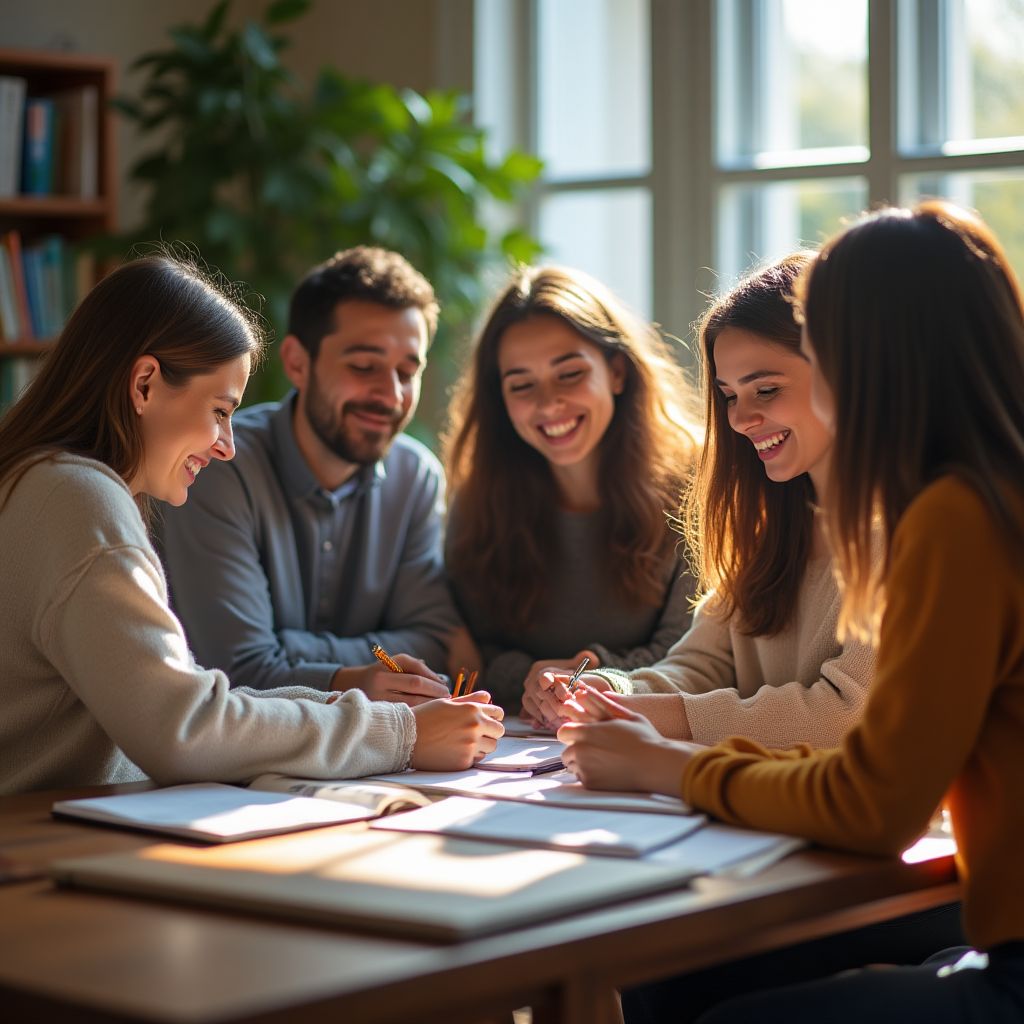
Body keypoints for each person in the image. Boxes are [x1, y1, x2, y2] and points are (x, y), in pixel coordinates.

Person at [559, 202, 1024, 1023]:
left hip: (1008, 963)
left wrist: (668, 765)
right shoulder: (986, 494)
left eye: (829, 347)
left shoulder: (955, 519)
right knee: (674, 982)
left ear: (883, 358)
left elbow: (876, 806)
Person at [0, 252, 503, 796]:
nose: (227, 446)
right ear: (144, 385)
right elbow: (185, 728)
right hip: (36, 835)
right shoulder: (79, 499)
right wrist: (401, 734)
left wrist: (345, 705)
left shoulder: (49, 484)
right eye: (220, 411)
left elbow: (187, 701)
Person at [524, 253, 875, 749]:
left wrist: (640, 713)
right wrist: (608, 689)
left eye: (766, 389)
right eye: (730, 396)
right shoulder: (769, 526)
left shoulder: (910, 530)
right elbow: (701, 665)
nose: (740, 419)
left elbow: (844, 714)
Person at [159, 246, 465, 701]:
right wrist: (361, 673)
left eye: (407, 371)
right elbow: (236, 668)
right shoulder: (219, 464)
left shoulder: (416, 477)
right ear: (298, 363)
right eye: (364, 366)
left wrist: (286, 648)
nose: (391, 394)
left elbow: (434, 642)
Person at [443, 264, 700, 713]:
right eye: (522, 385)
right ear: (500, 400)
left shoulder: (695, 486)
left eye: (569, 374)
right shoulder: (479, 501)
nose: (548, 403)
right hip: (519, 736)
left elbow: (694, 654)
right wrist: (532, 679)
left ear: (617, 372)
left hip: (646, 728)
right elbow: (477, 649)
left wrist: (597, 675)